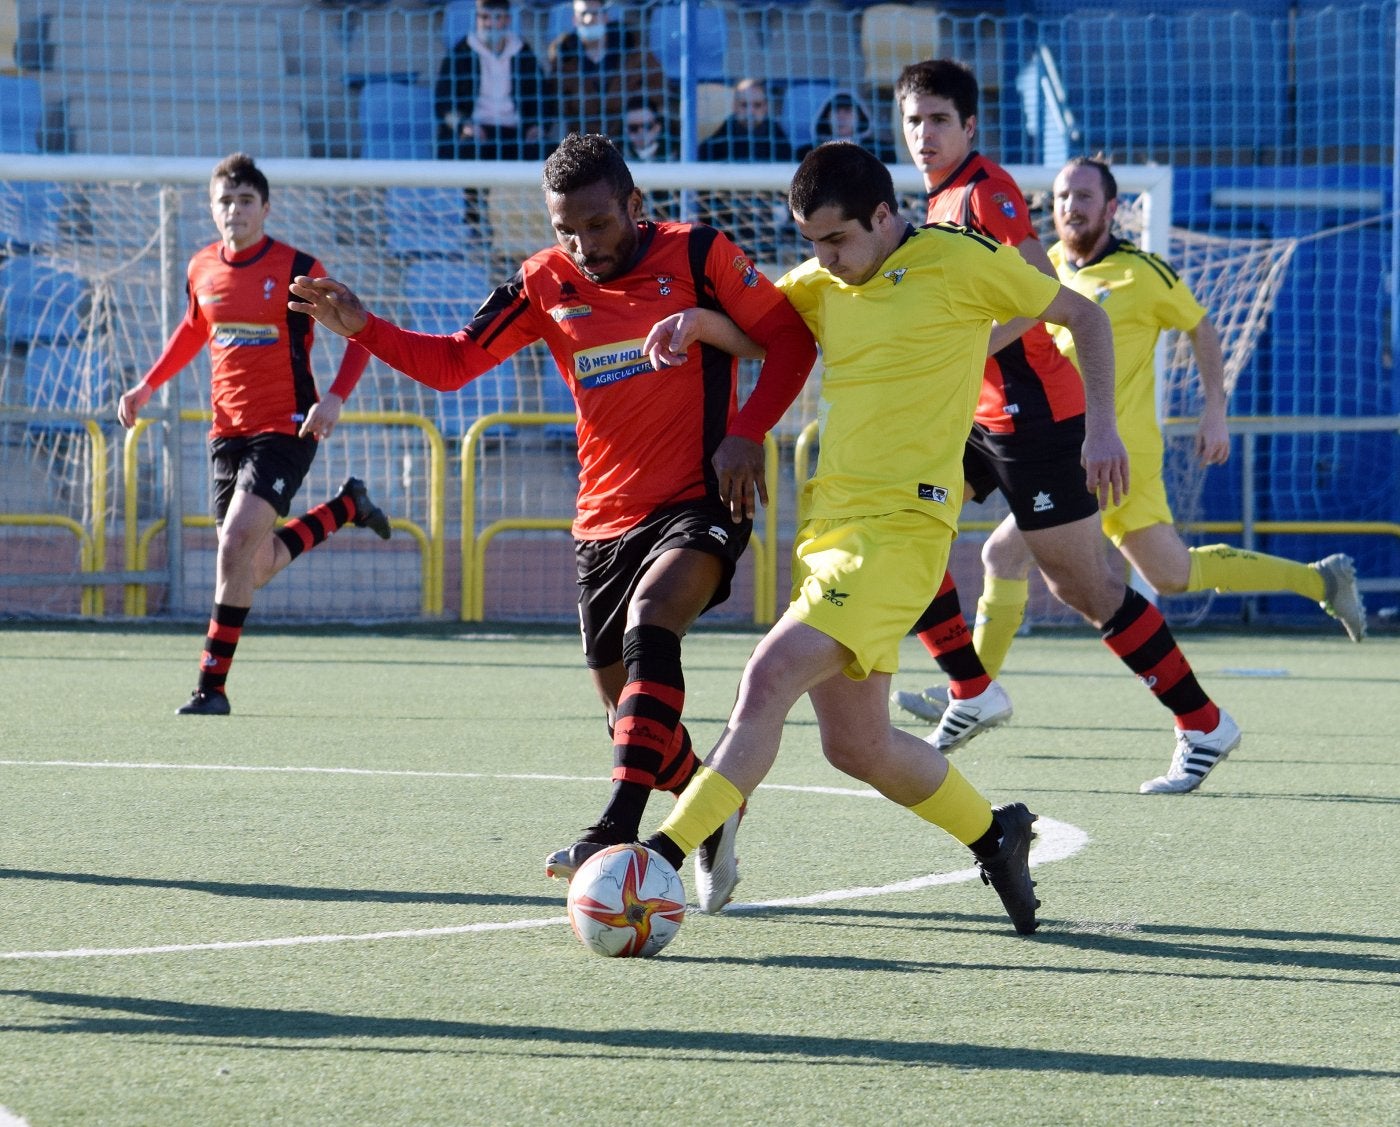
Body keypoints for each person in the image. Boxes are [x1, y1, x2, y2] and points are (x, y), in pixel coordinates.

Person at [287, 134, 817, 911]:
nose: (584, 244)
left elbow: (792, 340)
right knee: (628, 712)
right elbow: (451, 364)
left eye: (599, 224)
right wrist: (365, 326)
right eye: (566, 228)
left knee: (652, 624)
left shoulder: (699, 253)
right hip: (601, 520)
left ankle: (616, 831)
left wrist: (747, 431)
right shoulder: (544, 280)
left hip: (701, 498)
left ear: (635, 205)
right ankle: (715, 805)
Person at [634, 140, 1123, 934]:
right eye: (812, 243)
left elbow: (1081, 314)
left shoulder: (964, 261)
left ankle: (660, 850)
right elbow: (771, 330)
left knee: (767, 677)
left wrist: (1100, 427)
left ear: (886, 217)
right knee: (856, 745)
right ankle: (997, 834)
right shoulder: (827, 279)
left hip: (902, 531)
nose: (823, 259)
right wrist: (698, 324)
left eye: (837, 240)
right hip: (832, 530)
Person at [890, 59, 1241, 794]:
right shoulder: (941, 199)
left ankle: (1203, 723)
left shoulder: (986, 193)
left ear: (971, 125)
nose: (924, 133)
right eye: (913, 119)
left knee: (1091, 590)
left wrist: (1098, 424)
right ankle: (970, 687)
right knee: (895, 517)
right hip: (979, 416)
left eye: (939, 119)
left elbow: (1041, 298)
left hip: (1036, 418)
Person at [116, 152, 390, 717]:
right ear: (212, 210)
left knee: (237, 543)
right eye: (225, 201)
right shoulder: (202, 269)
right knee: (253, 561)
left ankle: (209, 688)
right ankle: (345, 508)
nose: (235, 210)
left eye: (246, 201)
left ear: (265, 208)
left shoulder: (299, 270)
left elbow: (362, 334)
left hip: (289, 426)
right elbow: (193, 331)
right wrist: (146, 387)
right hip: (227, 433)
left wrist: (334, 398)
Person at [433, 0, 553, 163]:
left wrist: (538, 126)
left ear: (508, 20)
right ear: (477, 19)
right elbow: (443, 103)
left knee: (551, 152)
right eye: (484, 17)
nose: (490, 23)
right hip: (477, 131)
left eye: (497, 17)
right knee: (468, 148)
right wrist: (463, 125)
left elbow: (543, 96)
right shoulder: (460, 54)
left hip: (516, 131)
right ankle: (470, 190)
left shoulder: (523, 54)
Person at [697, 79, 794, 262]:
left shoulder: (781, 144)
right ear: (734, 106)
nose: (750, 112)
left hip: (767, 227)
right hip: (726, 224)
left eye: (757, 105)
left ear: (766, 107)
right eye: (744, 105)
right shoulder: (714, 145)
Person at [548, 0, 668, 144]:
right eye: (583, 14)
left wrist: (637, 110)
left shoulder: (633, 49)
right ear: (574, 19)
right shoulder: (563, 57)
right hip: (582, 143)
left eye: (594, 13)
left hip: (627, 139)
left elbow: (658, 88)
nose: (589, 19)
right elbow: (555, 103)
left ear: (605, 17)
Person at [619, 96, 681, 222]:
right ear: (626, 130)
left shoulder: (678, 153)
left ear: (658, 127)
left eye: (647, 126)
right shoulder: (617, 157)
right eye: (634, 128)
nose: (641, 132)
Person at [795, 90, 893, 162]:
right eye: (836, 111)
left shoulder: (880, 152)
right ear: (826, 117)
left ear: (859, 117)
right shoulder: (806, 154)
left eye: (847, 111)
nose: (841, 117)